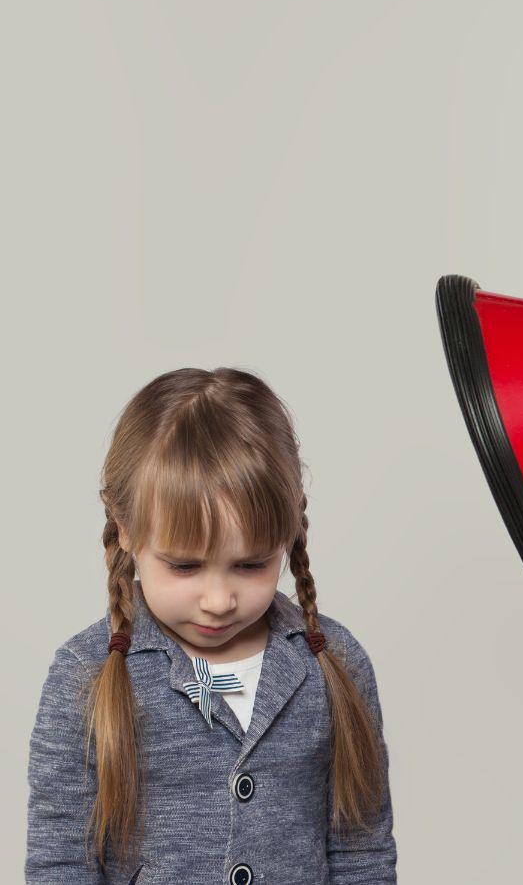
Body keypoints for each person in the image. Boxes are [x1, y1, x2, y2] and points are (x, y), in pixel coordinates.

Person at [25, 368, 398, 883]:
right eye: (184, 567)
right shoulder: (83, 675)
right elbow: (60, 862)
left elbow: (363, 852)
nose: (219, 600)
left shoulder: (332, 662)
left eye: (250, 566)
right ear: (127, 530)